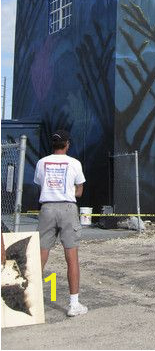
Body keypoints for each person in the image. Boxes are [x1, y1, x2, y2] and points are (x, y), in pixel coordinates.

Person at [34, 129, 88, 317]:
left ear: (53, 144)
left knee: (40, 255)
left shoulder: (42, 162)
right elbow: (79, 191)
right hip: (67, 208)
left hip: (47, 208)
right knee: (71, 257)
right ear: (67, 144)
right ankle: (74, 304)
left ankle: (32, 300)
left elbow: (41, 185)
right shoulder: (74, 163)